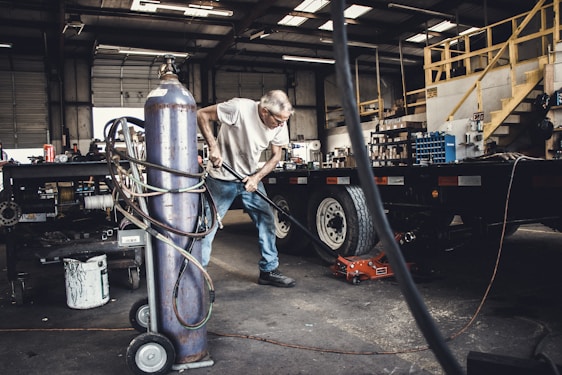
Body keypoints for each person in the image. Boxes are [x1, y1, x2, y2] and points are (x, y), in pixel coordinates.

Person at [197, 90, 296, 288]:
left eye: (285, 121)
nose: (281, 125)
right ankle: (197, 278)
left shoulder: (280, 124)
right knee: (208, 227)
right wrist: (213, 146)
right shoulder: (239, 108)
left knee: (267, 220)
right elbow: (201, 114)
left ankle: (268, 270)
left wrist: (256, 177)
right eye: (278, 120)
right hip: (220, 178)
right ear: (265, 111)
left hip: (250, 178)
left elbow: (276, 156)